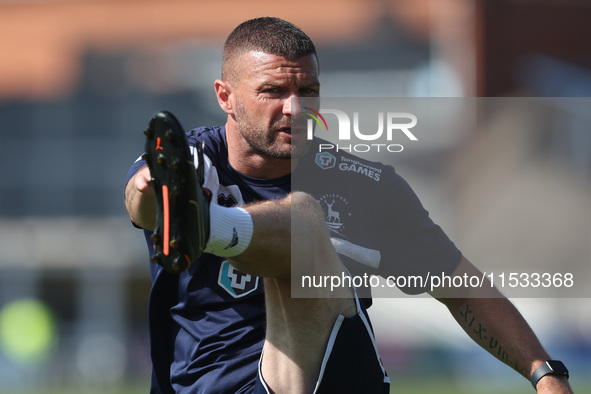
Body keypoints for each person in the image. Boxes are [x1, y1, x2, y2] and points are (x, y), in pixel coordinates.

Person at [124, 17, 573, 393]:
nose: (296, 108)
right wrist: (155, 195)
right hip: (209, 386)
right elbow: (142, 201)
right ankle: (200, 224)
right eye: (273, 91)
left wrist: (546, 375)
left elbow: (458, 284)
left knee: (303, 220)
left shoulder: (366, 185)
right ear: (226, 96)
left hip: (332, 379)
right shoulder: (192, 163)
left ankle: (210, 228)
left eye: (309, 90)